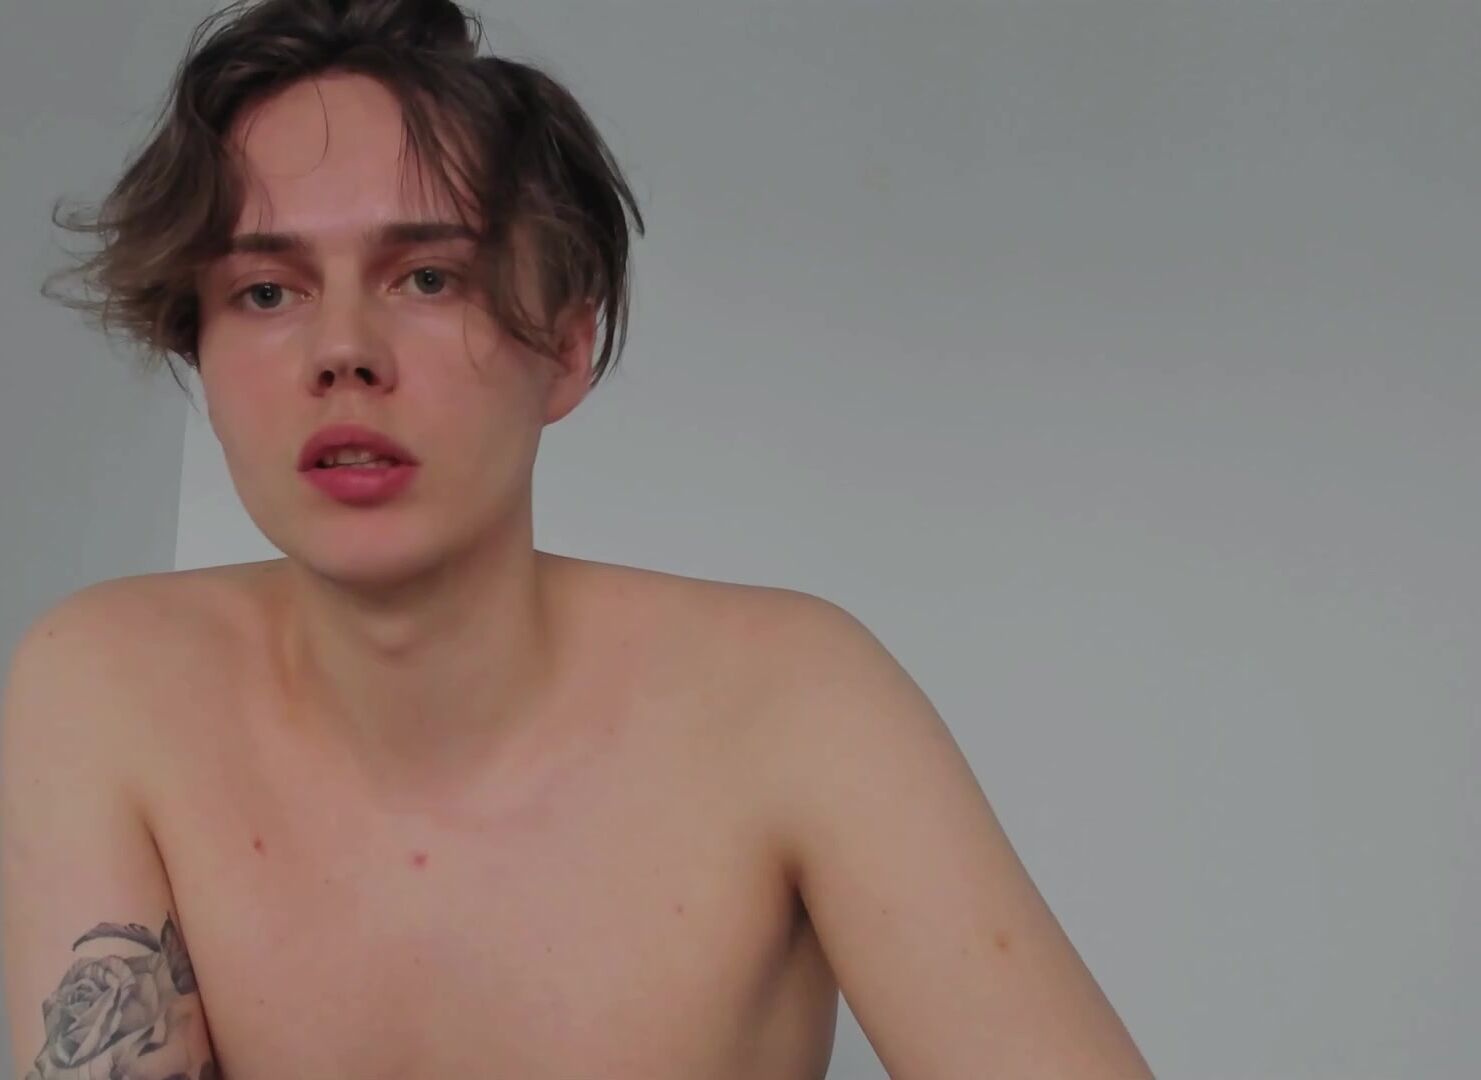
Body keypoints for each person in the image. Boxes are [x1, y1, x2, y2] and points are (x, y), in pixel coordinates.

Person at [0, 1, 1154, 1077]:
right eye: (266, 292)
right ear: (197, 348)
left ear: (564, 348)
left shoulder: (794, 701)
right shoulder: (108, 682)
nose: (341, 351)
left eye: (428, 276)